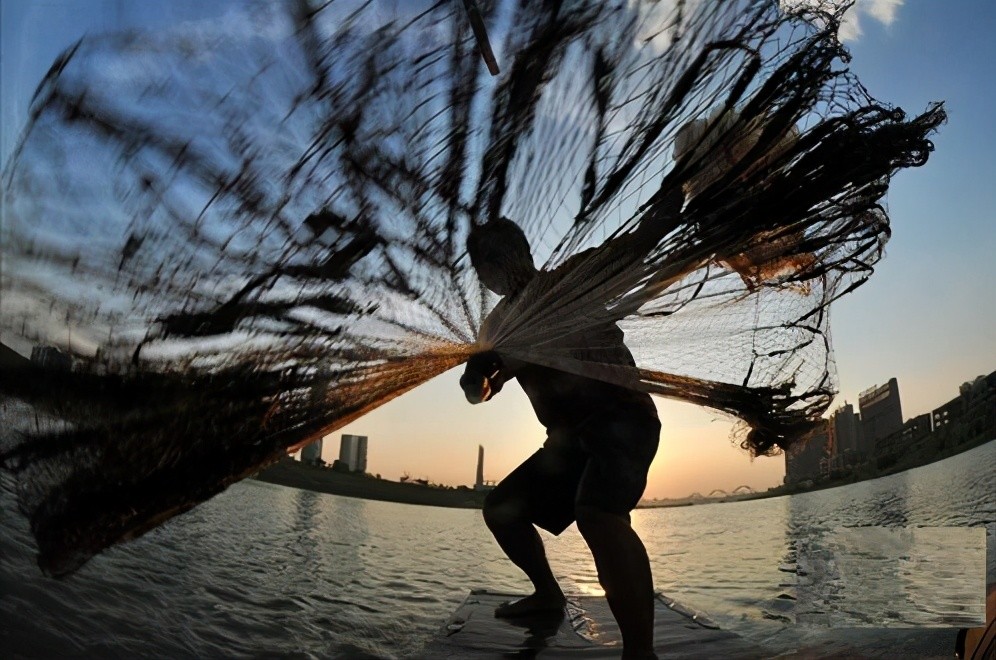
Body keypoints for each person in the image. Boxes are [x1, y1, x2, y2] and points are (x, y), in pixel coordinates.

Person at [460, 217, 663, 659]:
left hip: (623, 420)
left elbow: (641, 239)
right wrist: (477, 375)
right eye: (486, 266)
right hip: (568, 442)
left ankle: (641, 653)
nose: (494, 272)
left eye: (499, 259)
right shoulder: (497, 328)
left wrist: (679, 189)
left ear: (522, 253)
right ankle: (548, 594)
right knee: (500, 509)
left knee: (598, 512)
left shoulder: (573, 280)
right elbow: (476, 393)